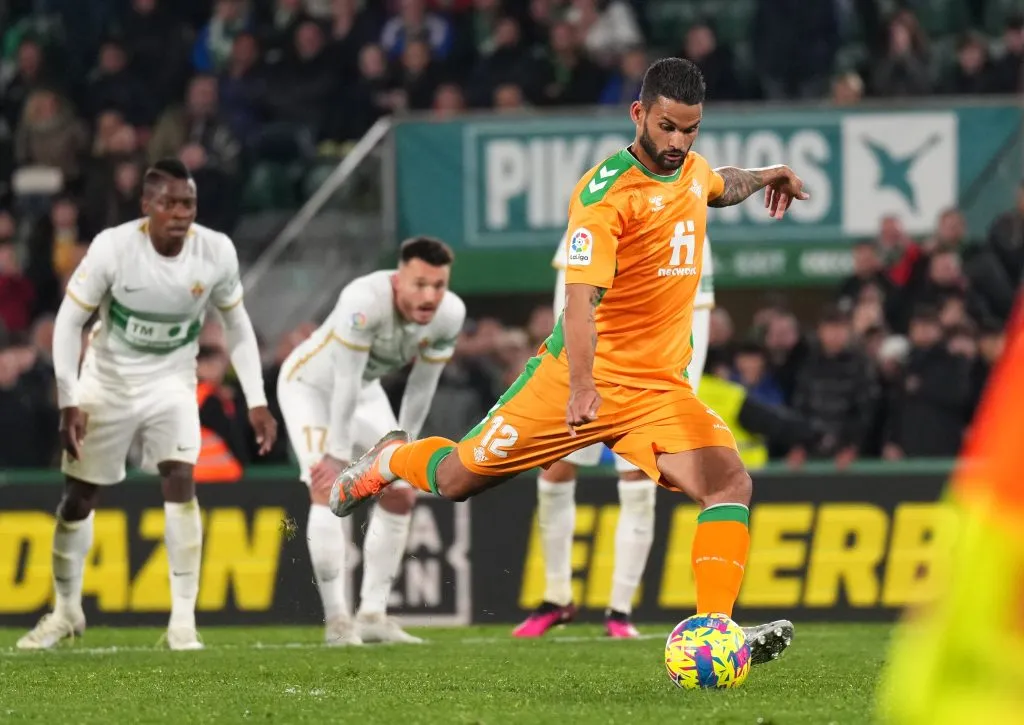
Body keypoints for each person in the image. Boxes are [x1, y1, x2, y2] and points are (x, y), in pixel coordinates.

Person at [331, 58, 808, 665]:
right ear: (639, 114)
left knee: (728, 481)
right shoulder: (604, 194)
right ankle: (390, 456)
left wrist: (770, 174)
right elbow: (580, 302)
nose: (677, 142)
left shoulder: (691, 172)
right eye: (667, 127)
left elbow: (721, 184)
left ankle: (715, 629)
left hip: (657, 391)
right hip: (574, 381)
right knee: (457, 481)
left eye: (690, 130)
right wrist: (582, 386)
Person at [16, 159, 277, 651]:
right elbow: (70, 322)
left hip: (172, 380)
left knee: (180, 477)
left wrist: (257, 398)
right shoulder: (114, 248)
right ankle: (66, 612)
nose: (181, 213)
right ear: (146, 207)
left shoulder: (215, 251)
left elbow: (238, 325)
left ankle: (182, 622)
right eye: (170, 203)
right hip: (107, 381)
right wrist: (69, 398)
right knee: (80, 498)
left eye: (188, 204)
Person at [512, 231, 715, 639]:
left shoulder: (689, 221)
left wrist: (684, 388)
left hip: (649, 379)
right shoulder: (595, 212)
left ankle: (620, 611)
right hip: (590, 373)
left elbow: (699, 312)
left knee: (637, 478)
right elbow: (567, 299)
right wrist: (571, 373)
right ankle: (556, 598)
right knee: (555, 469)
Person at [277, 237, 465, 646]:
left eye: (438, 285)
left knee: (401, 492)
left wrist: (407, 453)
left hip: (363, 391)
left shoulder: (449, 315)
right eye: (419, 284)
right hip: (310, 387)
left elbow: (420, 387)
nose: (430, 295)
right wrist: (336, 455)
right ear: (398, 280)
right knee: (326, 487)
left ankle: (373, 614)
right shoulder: (363, 301)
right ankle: (338, 621)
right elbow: (343, 380)